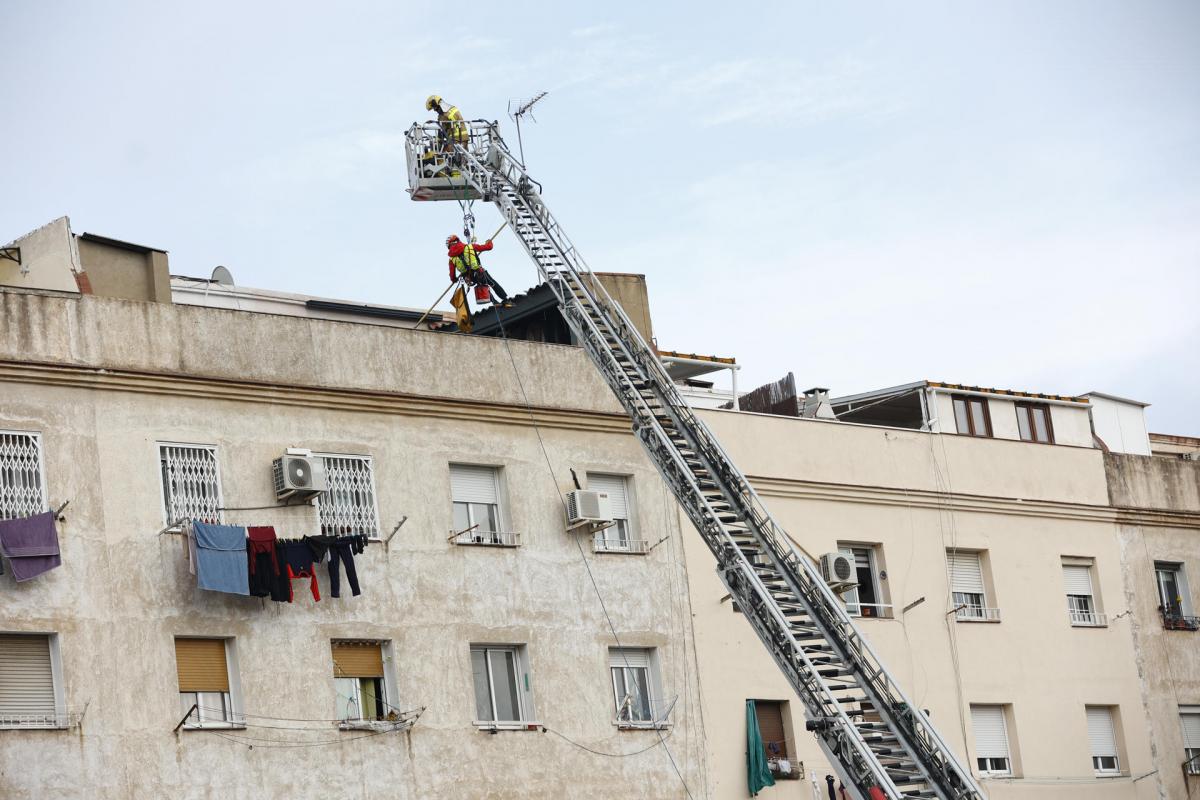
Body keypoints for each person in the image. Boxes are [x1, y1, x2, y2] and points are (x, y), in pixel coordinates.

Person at [446, 234, 508, 303]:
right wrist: (489, 242)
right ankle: (505, 300)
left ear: (449, 246)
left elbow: (452, 275)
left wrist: (454, 280)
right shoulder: (470, 247)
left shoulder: (452, 259)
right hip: (479, 272)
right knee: (492, 283)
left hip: (470, 278)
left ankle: (495, 302)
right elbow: (488, 247)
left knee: (481, 285)